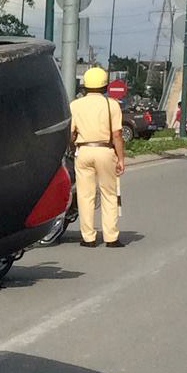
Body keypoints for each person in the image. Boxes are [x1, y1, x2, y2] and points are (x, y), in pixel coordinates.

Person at [69, 66, 126, 248]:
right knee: (109, 193)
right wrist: (121, 158)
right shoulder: (112, 105)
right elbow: (117, 134)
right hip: (105, 150)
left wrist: (73, 149)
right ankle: (111, 238)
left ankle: (88, 238)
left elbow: (71, 134)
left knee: (85, 196)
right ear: (105, 86)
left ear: (85, 85)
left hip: (83, 151)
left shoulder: (75, 105)